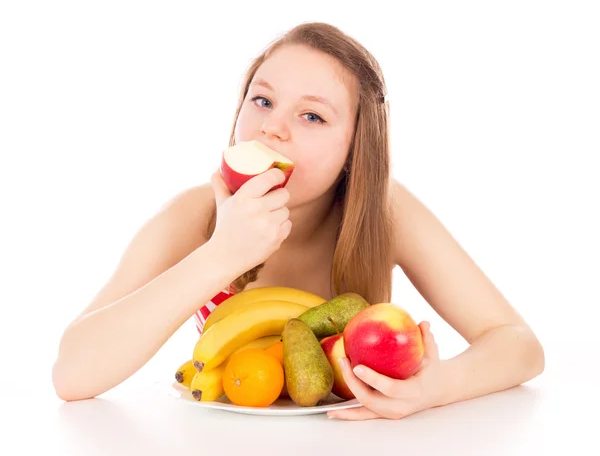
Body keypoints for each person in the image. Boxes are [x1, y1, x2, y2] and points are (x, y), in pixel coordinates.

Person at [52, 22, 545, 419]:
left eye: (312, 116)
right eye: (263, 100)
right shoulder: (195, 216)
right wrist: (219, 256)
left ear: (355, 150)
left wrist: (440, 386)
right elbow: (72, 375)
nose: (273, 127)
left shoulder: (385, 211)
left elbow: (519, 345)